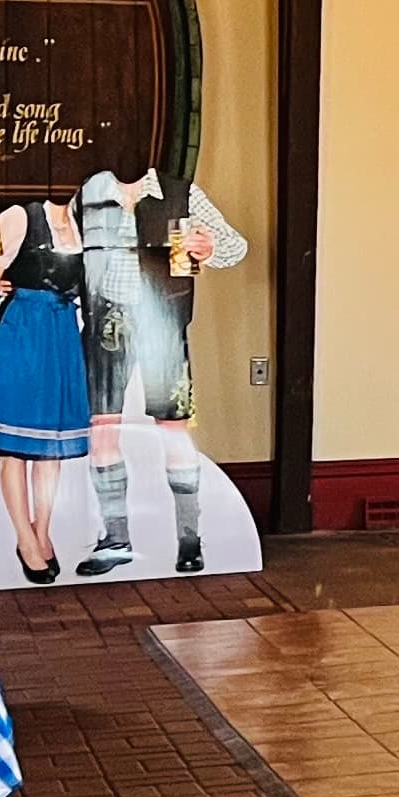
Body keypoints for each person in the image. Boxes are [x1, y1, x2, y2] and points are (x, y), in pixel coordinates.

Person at [69, 168, 247, 577]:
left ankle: (189, 538)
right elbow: (63, 251)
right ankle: (115, 539)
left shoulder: (181, 193)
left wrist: (208, 245)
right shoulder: (90, 192)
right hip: (105, 322)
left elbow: (236, 247)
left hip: (164, 321)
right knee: (102, 427)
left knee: (173, 427)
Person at [0, 198, 90, 582]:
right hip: (21, 331)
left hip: (63, 333)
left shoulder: (91, 222)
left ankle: (43, 530)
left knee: (50, 443)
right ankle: (25, 539)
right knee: (13, 444)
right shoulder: (22, 216)